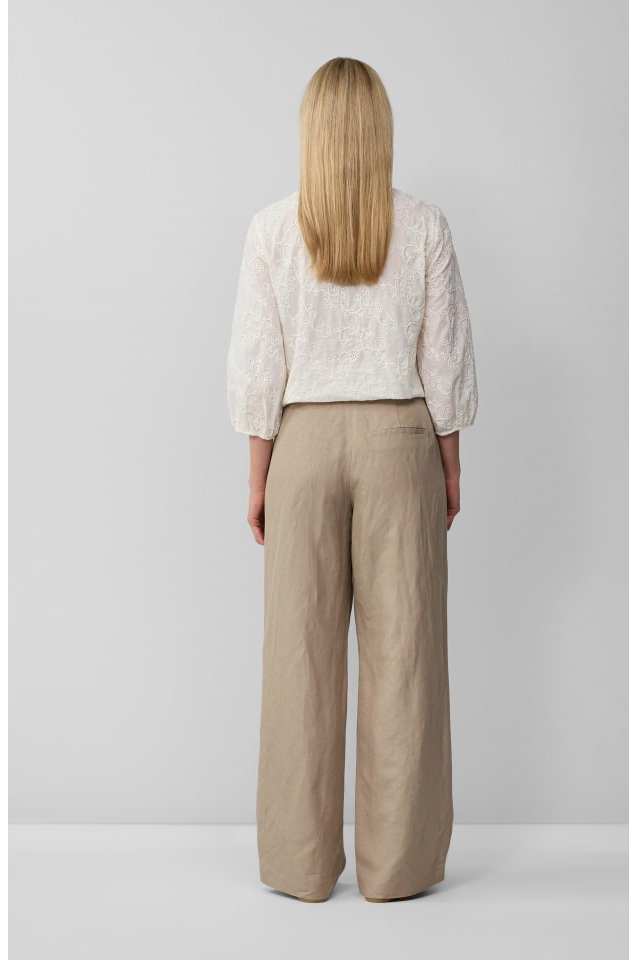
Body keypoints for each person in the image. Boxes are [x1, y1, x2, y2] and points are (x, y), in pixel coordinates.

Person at [226, 56, 478, 904]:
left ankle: (298, 866)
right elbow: (444, 361)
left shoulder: (270, 229)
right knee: (406, 656)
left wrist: (259, 479)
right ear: (380, 130)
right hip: (401, 443)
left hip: (301, 448)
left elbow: (258, 367)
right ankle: (397, 870)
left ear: (311, 132)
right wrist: (449, 466)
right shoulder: (425, 226)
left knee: (298, 655)